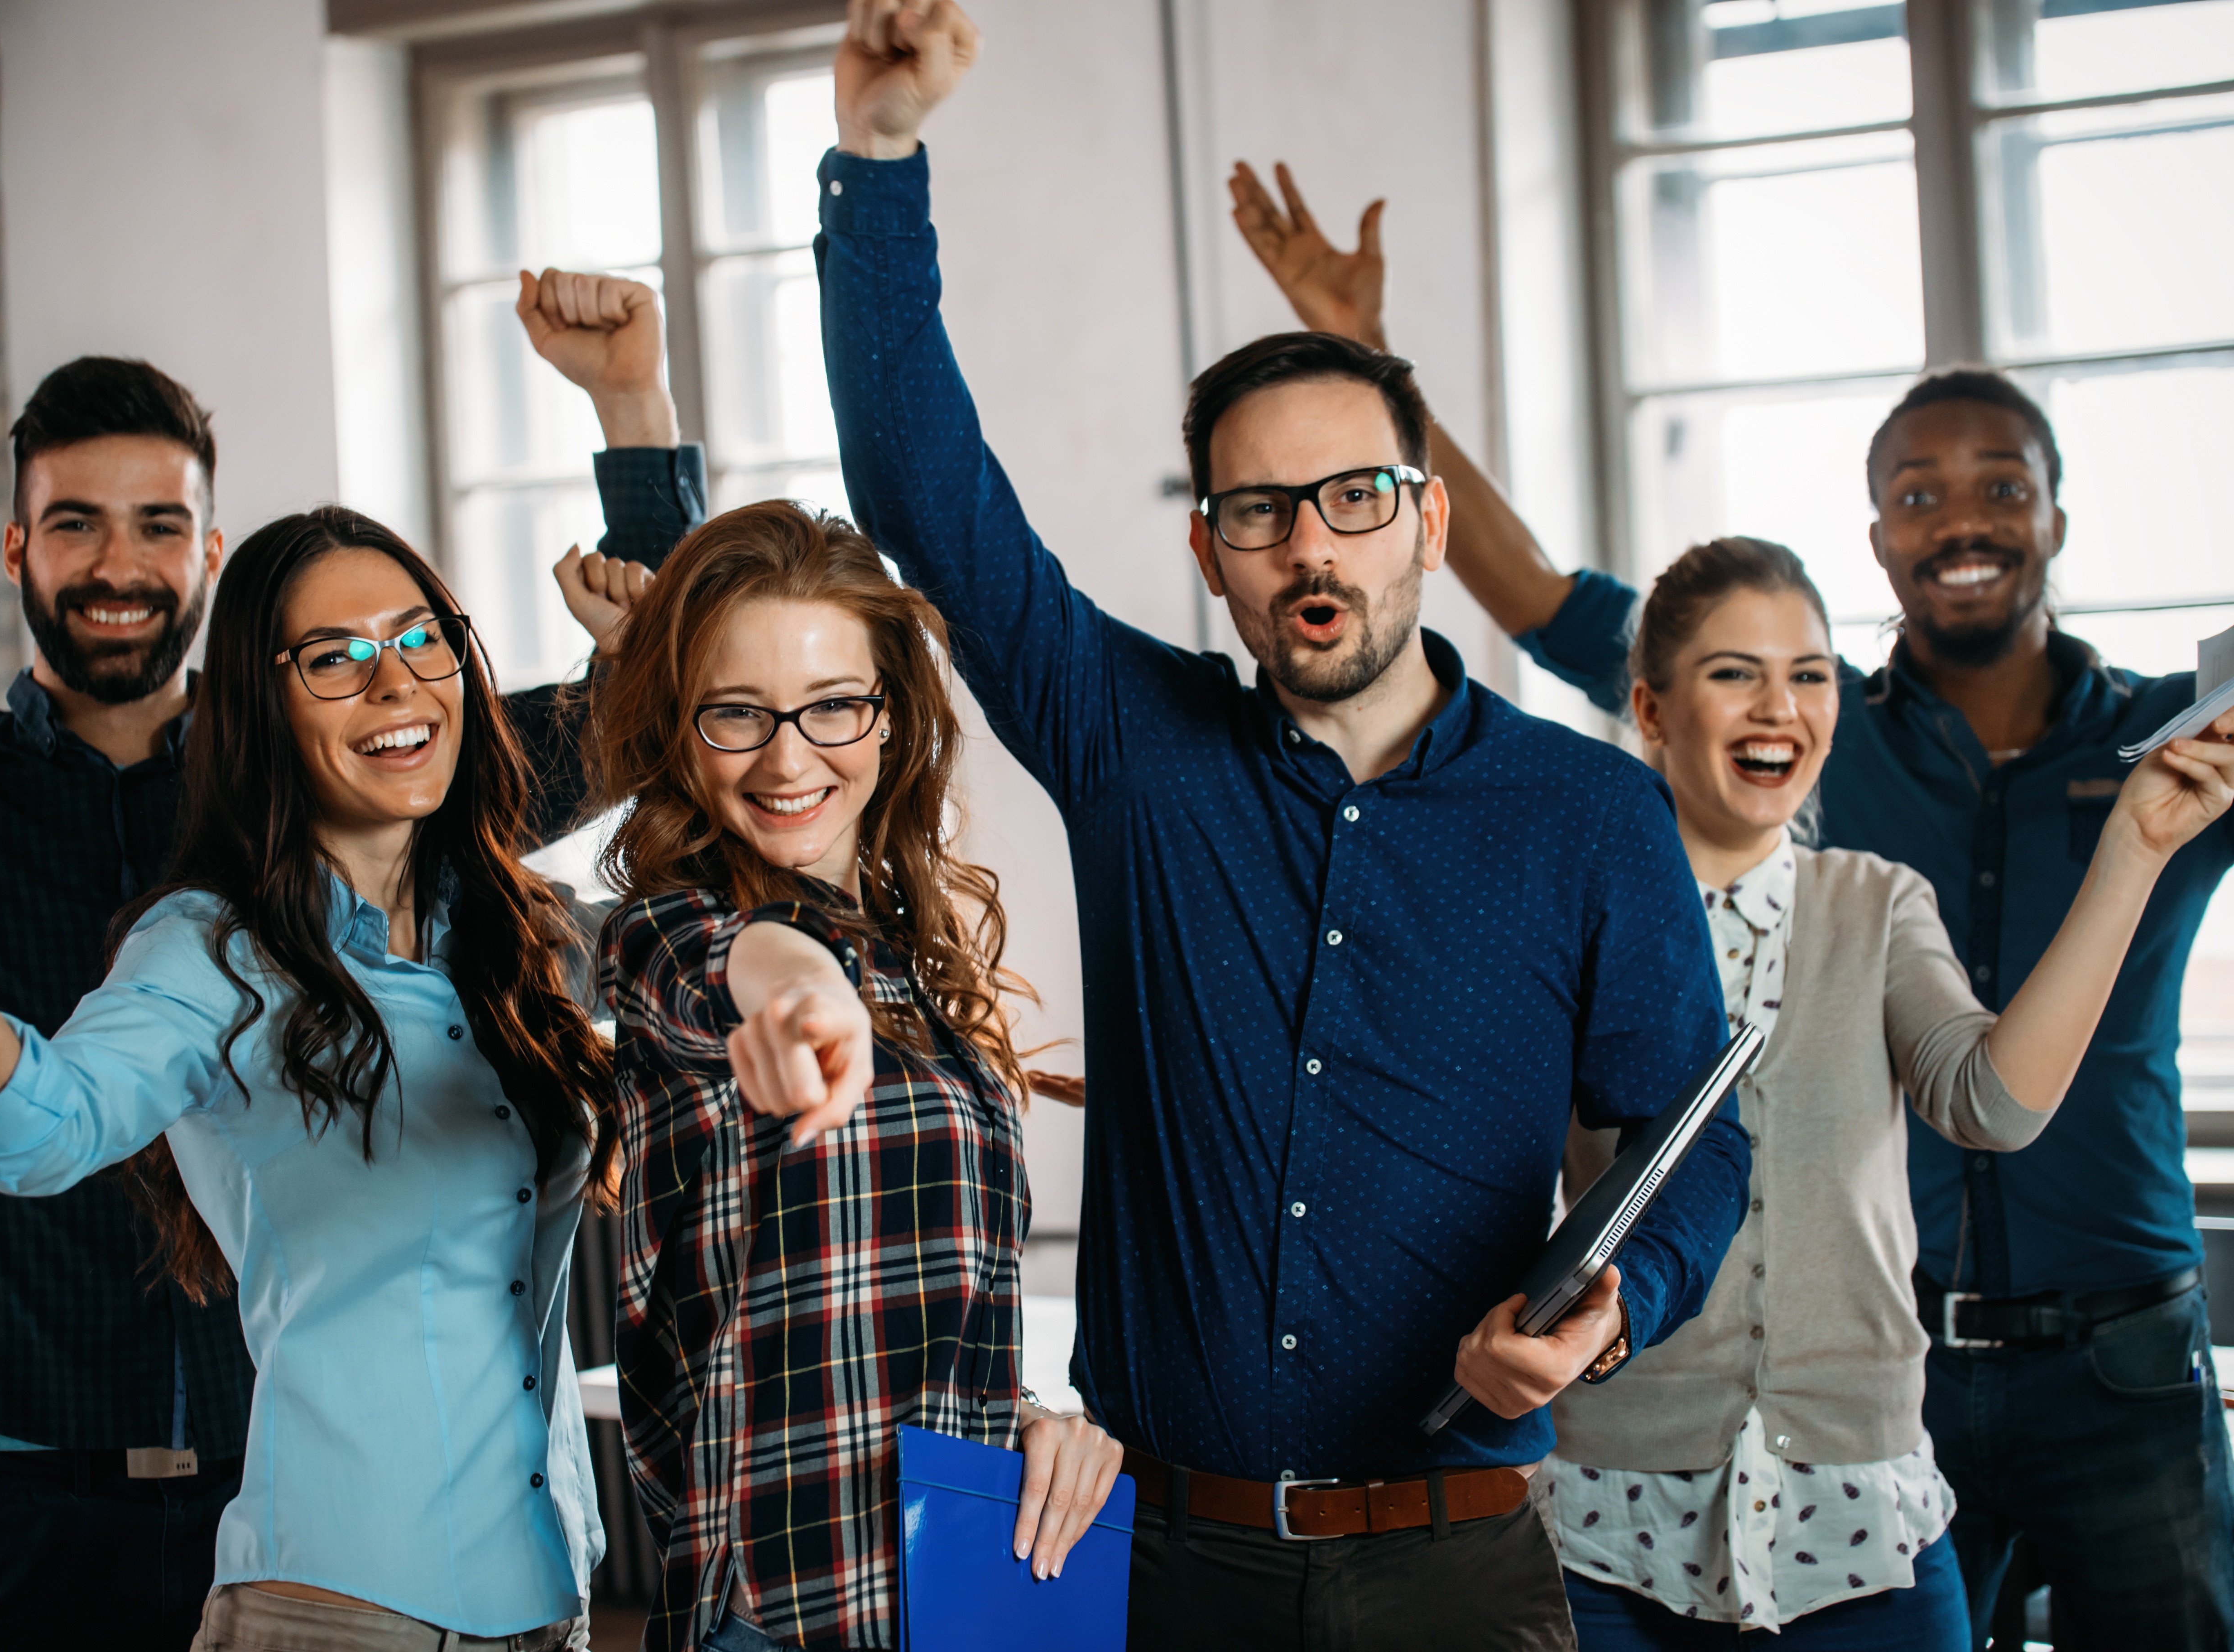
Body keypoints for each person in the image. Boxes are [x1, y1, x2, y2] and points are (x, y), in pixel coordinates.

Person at [815, 8, 1753, 1647]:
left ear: (1427, 520)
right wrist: (880, 155)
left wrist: (1605, 1314)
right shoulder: (1133, 746)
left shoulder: (1591, 810)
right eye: (1259, 511)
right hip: (1164, 1554)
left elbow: (1695, 1135)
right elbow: (928, 497)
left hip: (1458, 1558)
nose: (1309, 546)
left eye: (1353, 499)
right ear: (1211, 548)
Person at [1229, 159, 2234, 1648]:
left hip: (2095, 1362)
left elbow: (1989, 1093)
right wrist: (1376, 376)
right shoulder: (1698, 813)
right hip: (1762, 1426)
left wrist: (2143, 840)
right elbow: (1534, 594)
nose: (1960, 518)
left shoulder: (2165, 745)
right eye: (1916, 492)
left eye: (2002, 486)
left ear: (2059, 518)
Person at [0, 284, 695, 1649]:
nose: (119, 563)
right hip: (14, 1489)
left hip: (272, 1472)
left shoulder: (344, 777)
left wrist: (631, 411)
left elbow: (662, 702)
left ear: (209, 552)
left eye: (158, 525)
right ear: (18, 545)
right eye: (77, 524)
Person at [1530, 539, 2229, 1648]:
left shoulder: (1876, 903)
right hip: (1614, 1521)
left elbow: (1990, 1106)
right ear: (1652, 709)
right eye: (1734, 673)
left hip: (1858, 1521)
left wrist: (2134, 851)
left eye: (1809, 674)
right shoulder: (1565, 909)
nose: (1781, 707)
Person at [587, 499, 1124, 1652]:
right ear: (682, 730)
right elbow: (751, 968)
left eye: (833, 705)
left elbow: (918, 1319)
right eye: (737, 714)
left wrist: (1031, 1422)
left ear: (892, 718)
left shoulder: (916, 977)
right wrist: (802, 995)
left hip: (970, 1604)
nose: (789, 758)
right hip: (784, 1621)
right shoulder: (667, 935)